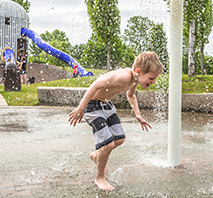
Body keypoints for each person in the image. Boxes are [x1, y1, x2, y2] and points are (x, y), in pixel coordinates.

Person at [68, 51, 163, 191]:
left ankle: (96, 155)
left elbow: (130, 95)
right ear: (138, 71)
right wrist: (81, 109)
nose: (153, 81)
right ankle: (99, 178)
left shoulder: (135, 80)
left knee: (119, 139)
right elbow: (94, 85)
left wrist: (138, 115)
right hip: (93, 107)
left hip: (106, 106)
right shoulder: (124, 76)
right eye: (151, 78)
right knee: (109, 144)